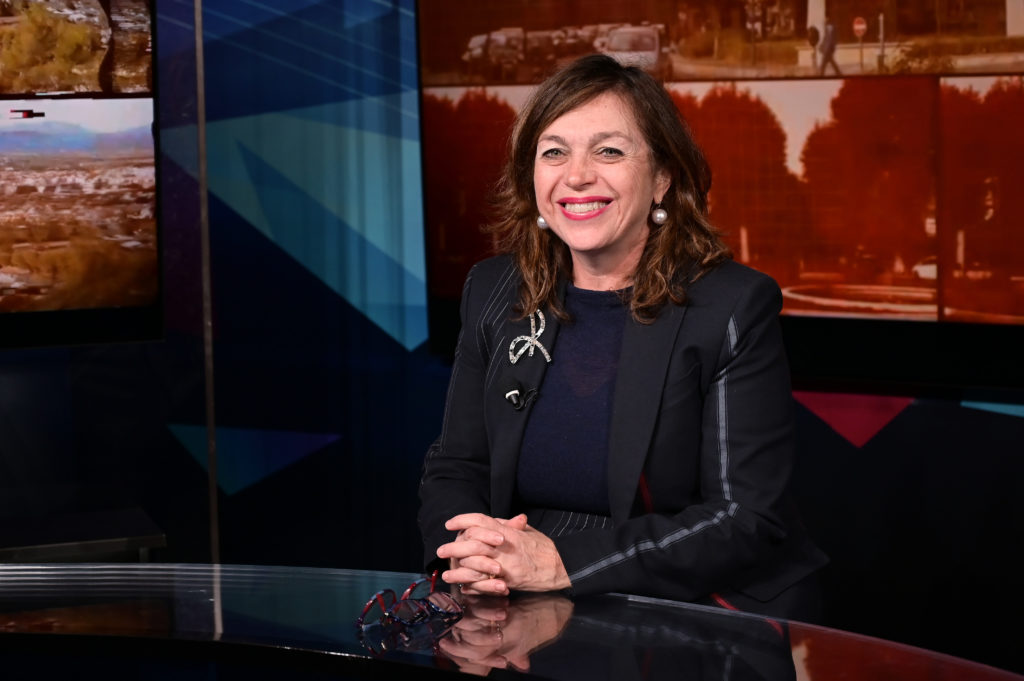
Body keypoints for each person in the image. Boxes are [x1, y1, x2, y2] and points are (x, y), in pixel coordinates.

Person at [418, 54, 827, 621]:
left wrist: (561, 564)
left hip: (683, 606)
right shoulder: (492, 289)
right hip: (519, 597)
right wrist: (471, 553)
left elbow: (743, 518)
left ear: (662, 178)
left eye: (608, 151)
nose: (576, 175)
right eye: (553, 152)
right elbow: (456, 465)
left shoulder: (733, 306)